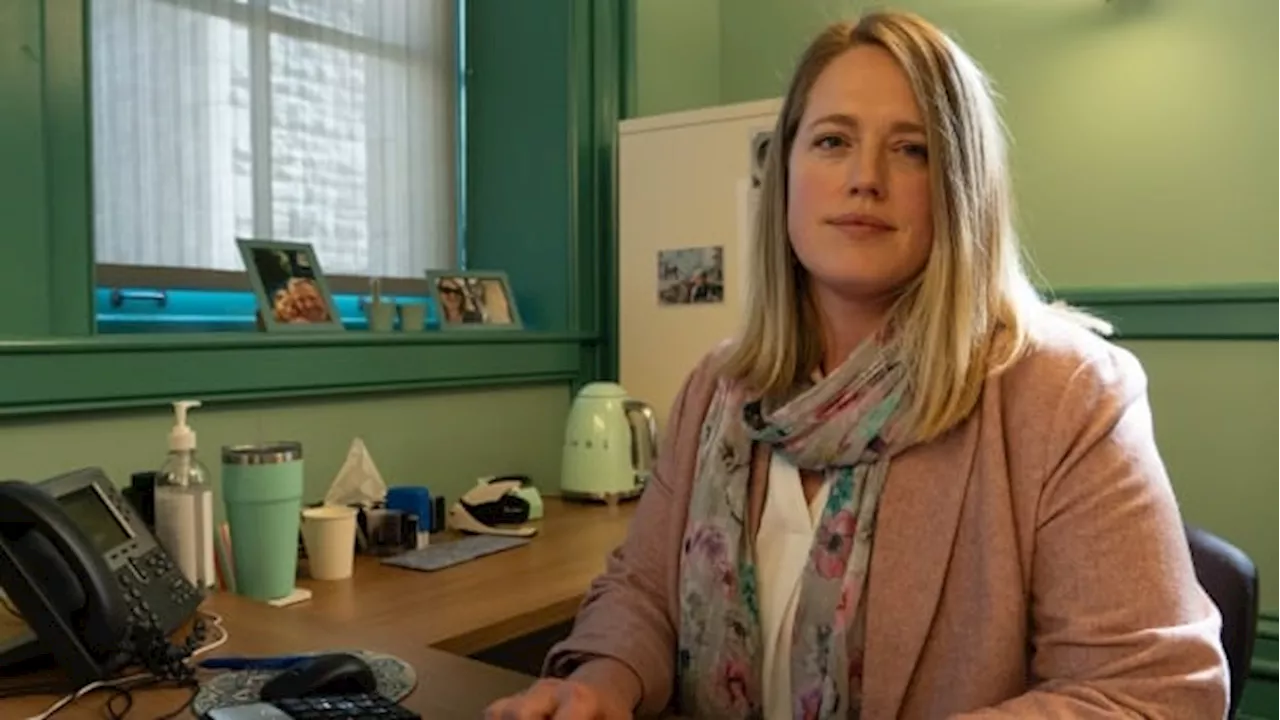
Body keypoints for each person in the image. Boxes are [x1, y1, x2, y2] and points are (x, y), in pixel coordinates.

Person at [486, 9, 1228, 720]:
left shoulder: (1067, 394)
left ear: (961, 189)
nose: (864, 177)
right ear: (785, 175)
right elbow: (644, 590)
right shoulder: (719, 387)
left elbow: (1150, 692)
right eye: (833, 141)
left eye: (912, 149)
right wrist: (606, 681)